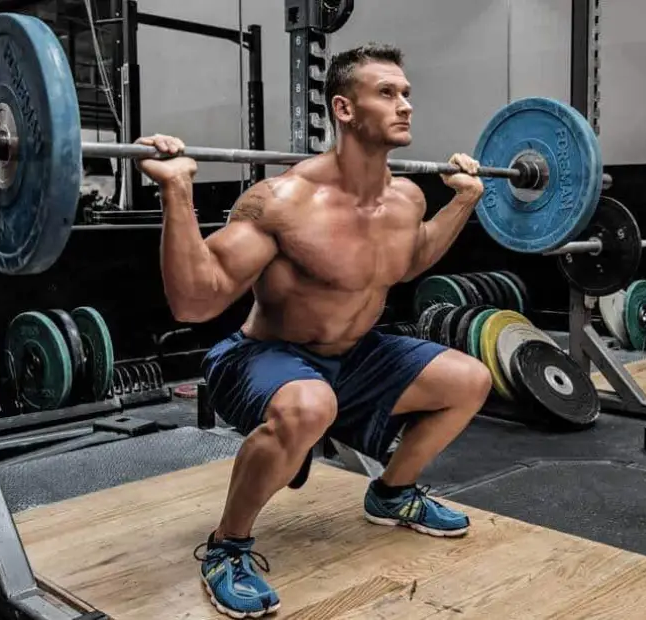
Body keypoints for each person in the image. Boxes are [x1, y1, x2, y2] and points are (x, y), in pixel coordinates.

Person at [136, 43, 493, 617]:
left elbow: (408, 258)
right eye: (387, 93)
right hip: (263, 357)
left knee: (469, 379)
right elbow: (194, 302)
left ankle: (392, 493)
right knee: (308, 407)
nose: (405, 106)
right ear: (344, 110)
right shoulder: (284, 202)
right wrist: (176, 192)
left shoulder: (407, 197)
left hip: (358, 355)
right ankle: (227, 547)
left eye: (406, 94)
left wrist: (464, 203)